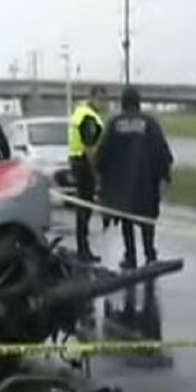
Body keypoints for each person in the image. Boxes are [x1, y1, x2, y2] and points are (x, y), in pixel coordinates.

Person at [95, 85, 173, 269]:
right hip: (146, 183)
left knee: (126, 220)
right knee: (147, 220)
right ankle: (150, 253)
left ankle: (130, 256)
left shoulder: (115, 124)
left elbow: (103, 153)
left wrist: (101, 175)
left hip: (122, 184)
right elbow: (162, 151)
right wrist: (164, 175)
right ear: (139, 103)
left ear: (122, 103)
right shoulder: (150, 123)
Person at [68, 86, 107, 262]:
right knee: (85, 208)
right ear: (91, 97)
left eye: (104, 99)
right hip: (84, 163)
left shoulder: (80, 112)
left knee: (82, 208)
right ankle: (83, 250)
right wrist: (96, 173)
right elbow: (90, 147)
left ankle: (82, 248)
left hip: (76, 160)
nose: (102, 103)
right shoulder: (88, 117)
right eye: (99, 99)